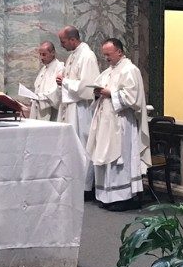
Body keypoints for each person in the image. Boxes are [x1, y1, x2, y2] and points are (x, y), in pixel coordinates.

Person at [87, 38, 151, 211]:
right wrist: (97, 93)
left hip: (122, 123)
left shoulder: (130, 70)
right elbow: (100, 91)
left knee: (120, 160)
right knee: (106, 158)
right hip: (106, 122)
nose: (106, 58)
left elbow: (133, 98)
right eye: (104, 54)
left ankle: (123, 198)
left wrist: (110, 93)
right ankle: (107, 196)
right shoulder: (108, 71)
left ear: (119, 52)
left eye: (108, 54)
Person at [56, 26, 100, 199]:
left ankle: (85, 187)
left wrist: (65, 81)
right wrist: (62, 81)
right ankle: (74, 184)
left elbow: (87, 87)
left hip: (82, 110)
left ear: (73, 40)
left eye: (63, 41)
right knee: (72, 147)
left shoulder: (87, 56)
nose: (62, 45)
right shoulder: (73, 55)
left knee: (82, 146)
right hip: (71, 108)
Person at [28, 41, 63, 121]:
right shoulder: (44, 69)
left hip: (51, 111)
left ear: (53, 53)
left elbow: (58, 90)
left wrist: (40, 97)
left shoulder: (59, 68)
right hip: (38, 107)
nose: (41, 57)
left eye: (44, 54)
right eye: (40, 54)